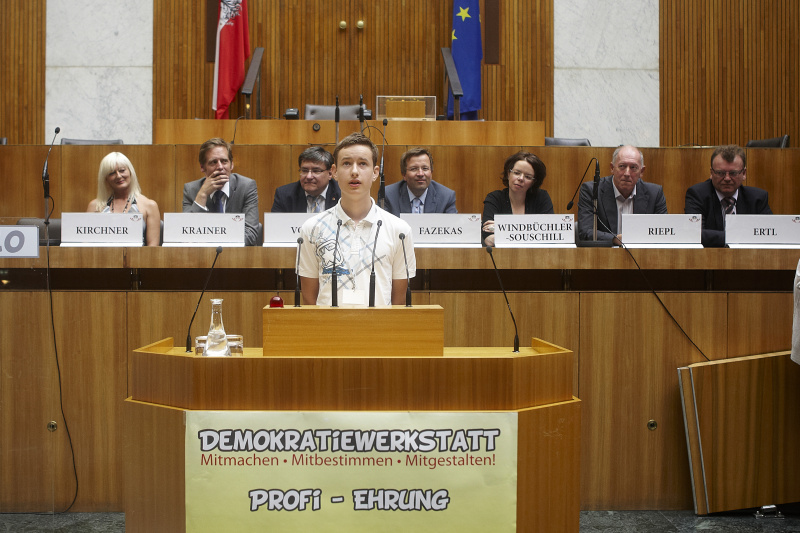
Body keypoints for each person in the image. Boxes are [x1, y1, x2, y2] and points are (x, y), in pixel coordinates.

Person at [298, 132, 416, 306]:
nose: (354, 171)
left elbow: (398, 302)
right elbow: (309, 299)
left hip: (378, 331)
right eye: (346, 163)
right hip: (329, 331)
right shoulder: (312, 228)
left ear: (375, 172)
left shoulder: (399, 230)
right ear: (334, 172)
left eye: (362, 164)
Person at [577, 145, 668, 245]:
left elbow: (662, 234)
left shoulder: (655, 194)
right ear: (612, 168)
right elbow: (586, 232)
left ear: (641, 171)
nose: (627, 173)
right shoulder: (592, 191)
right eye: (622, 166)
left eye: (633, 167)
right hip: (604, 256)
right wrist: (615, 239)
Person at [685, 144, 772, 247]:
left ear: (744, 173)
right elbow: (694, 233)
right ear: (711, 173)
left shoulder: (757, 198)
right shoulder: (697, 194)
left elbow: (769, 234)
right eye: (720, 173)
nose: (727, 178)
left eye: (733, 173)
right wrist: (738, 236)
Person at [182, 137, 259, 246]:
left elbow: (250, 234)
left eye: (224, 161)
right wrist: (202, 195)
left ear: (231, 165)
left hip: (238, 257)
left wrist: (215, 243)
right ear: (202, 167)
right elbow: (185, 233)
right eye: (213, 162)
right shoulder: (191, 189)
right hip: (203, 257)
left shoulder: (246, 187)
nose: (220, 167)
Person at [87, 152, 161, 246]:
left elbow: (152, 250)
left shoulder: (149, 206)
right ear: (106, 179)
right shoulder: (94, 206)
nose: (118, 176)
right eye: (112, 173)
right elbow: (86, 247)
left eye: (122, 170)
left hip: (138, 259)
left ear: (130, 172)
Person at [481, 151, 553, 246]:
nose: (521, 178)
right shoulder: (494, 198)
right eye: (517, 173)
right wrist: (532, 232)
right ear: (508, 174)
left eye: (528, 176)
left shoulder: (542, 197)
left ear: (533, 182)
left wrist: (503, 228)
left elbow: (550, 235)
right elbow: (489, 239)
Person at [383, 147, 457, 215]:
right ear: (404, 175)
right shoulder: (388, 195)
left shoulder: (446, 197)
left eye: (425, 168)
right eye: (414, 169)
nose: (420, 174)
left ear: (431, 173)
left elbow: (453, 225)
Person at [271, 146, 341, 213]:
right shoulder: (284, 195)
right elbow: (275, 225)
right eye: (304, 170)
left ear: (330, 173)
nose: (309, 176)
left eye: (316, 171)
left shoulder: (342, 195)